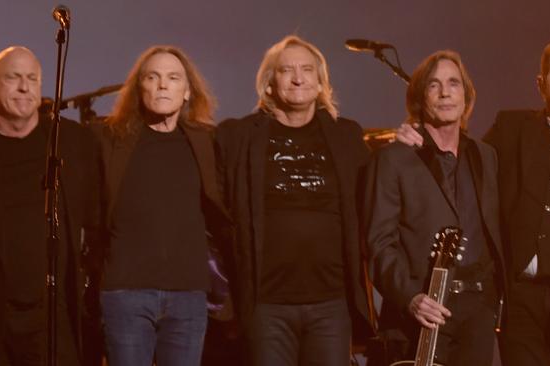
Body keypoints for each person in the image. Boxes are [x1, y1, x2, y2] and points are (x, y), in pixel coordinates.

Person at [394, 36, 550, 366]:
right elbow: (459, 162)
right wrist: (419, 135)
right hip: (516, 303)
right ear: (541, 83)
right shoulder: (511, 128)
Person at [215, 35, 374, 366]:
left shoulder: (347, 136)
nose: (298, 78)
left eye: (307, 70)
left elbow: (376, 199)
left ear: (320, 83)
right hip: (266, 304)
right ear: (270, 83)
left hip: (331, 302)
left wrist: (408, 142)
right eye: (286, 70)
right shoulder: (238, 137)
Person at [88, 45, 232, 366]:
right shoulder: (108, 139)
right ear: (139, 89)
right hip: (125, 293)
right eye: (152, 77)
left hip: (188, 294)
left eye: (173, 78)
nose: (163, 85)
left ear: (186, 92)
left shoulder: (209, 142)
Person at [365, 50, 505, 366]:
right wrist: (411, 298)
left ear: (466, 95)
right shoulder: (393, 158)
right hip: (423, 307)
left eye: (454, 83)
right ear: (418, 96)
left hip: (478, 310)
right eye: (434, 85)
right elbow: (379, 243)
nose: (445, 93)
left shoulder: (486, 156)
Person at [0, 46, 95, 365]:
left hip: (53, 316)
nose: (25, 87)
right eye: (13, 78)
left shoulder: (72, 142)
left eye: (32, 78)